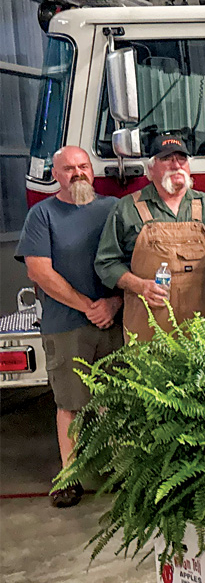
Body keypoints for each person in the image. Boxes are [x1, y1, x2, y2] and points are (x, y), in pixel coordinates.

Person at [15, 146, 122, 508]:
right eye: (68, 169)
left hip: (116, 320)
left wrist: (114, 303)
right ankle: (69, 476)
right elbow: (39, 271)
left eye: (83, 166)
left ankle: (126, 470)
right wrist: (88, 306)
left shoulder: (114, 210)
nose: (77, 173)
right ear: (55, 175)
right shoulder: (41, 215)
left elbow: (134, 260)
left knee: (122, 400)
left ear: (93, 171)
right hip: (66, 324)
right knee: (70, 404)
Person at [94, 134, 205, 340]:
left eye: (182, 159)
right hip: (150, 328)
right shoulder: (127, 209)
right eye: (166, 159)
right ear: (150, 169)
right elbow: (106, 263)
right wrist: (140, 286)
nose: (176, 165)